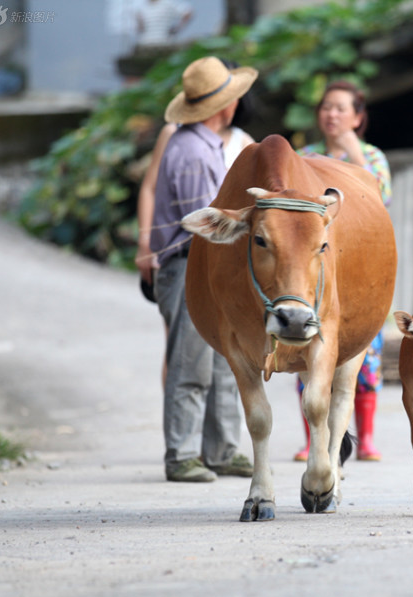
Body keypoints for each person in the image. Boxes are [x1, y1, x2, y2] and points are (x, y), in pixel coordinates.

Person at [150, 56, 257, 482]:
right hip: (190, 267)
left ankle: (222, 451)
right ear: (225, 106)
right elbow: (205, 229)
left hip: (201, 267)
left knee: (224, 360)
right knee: (191, 363)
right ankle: (181, 456)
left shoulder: (199, 144)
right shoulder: (194, 153)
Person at [293, 80, 392, 462]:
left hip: (360, 264)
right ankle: (311, 440)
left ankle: (365, 438)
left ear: (357, 117)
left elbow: (381, 198)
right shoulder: (304, 156)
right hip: (317, 264)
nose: (331, 114)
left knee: (365, 352)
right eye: (326, 107)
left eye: (340, 108)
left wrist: (353, 150)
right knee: (305, 348)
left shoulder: (372, 156)